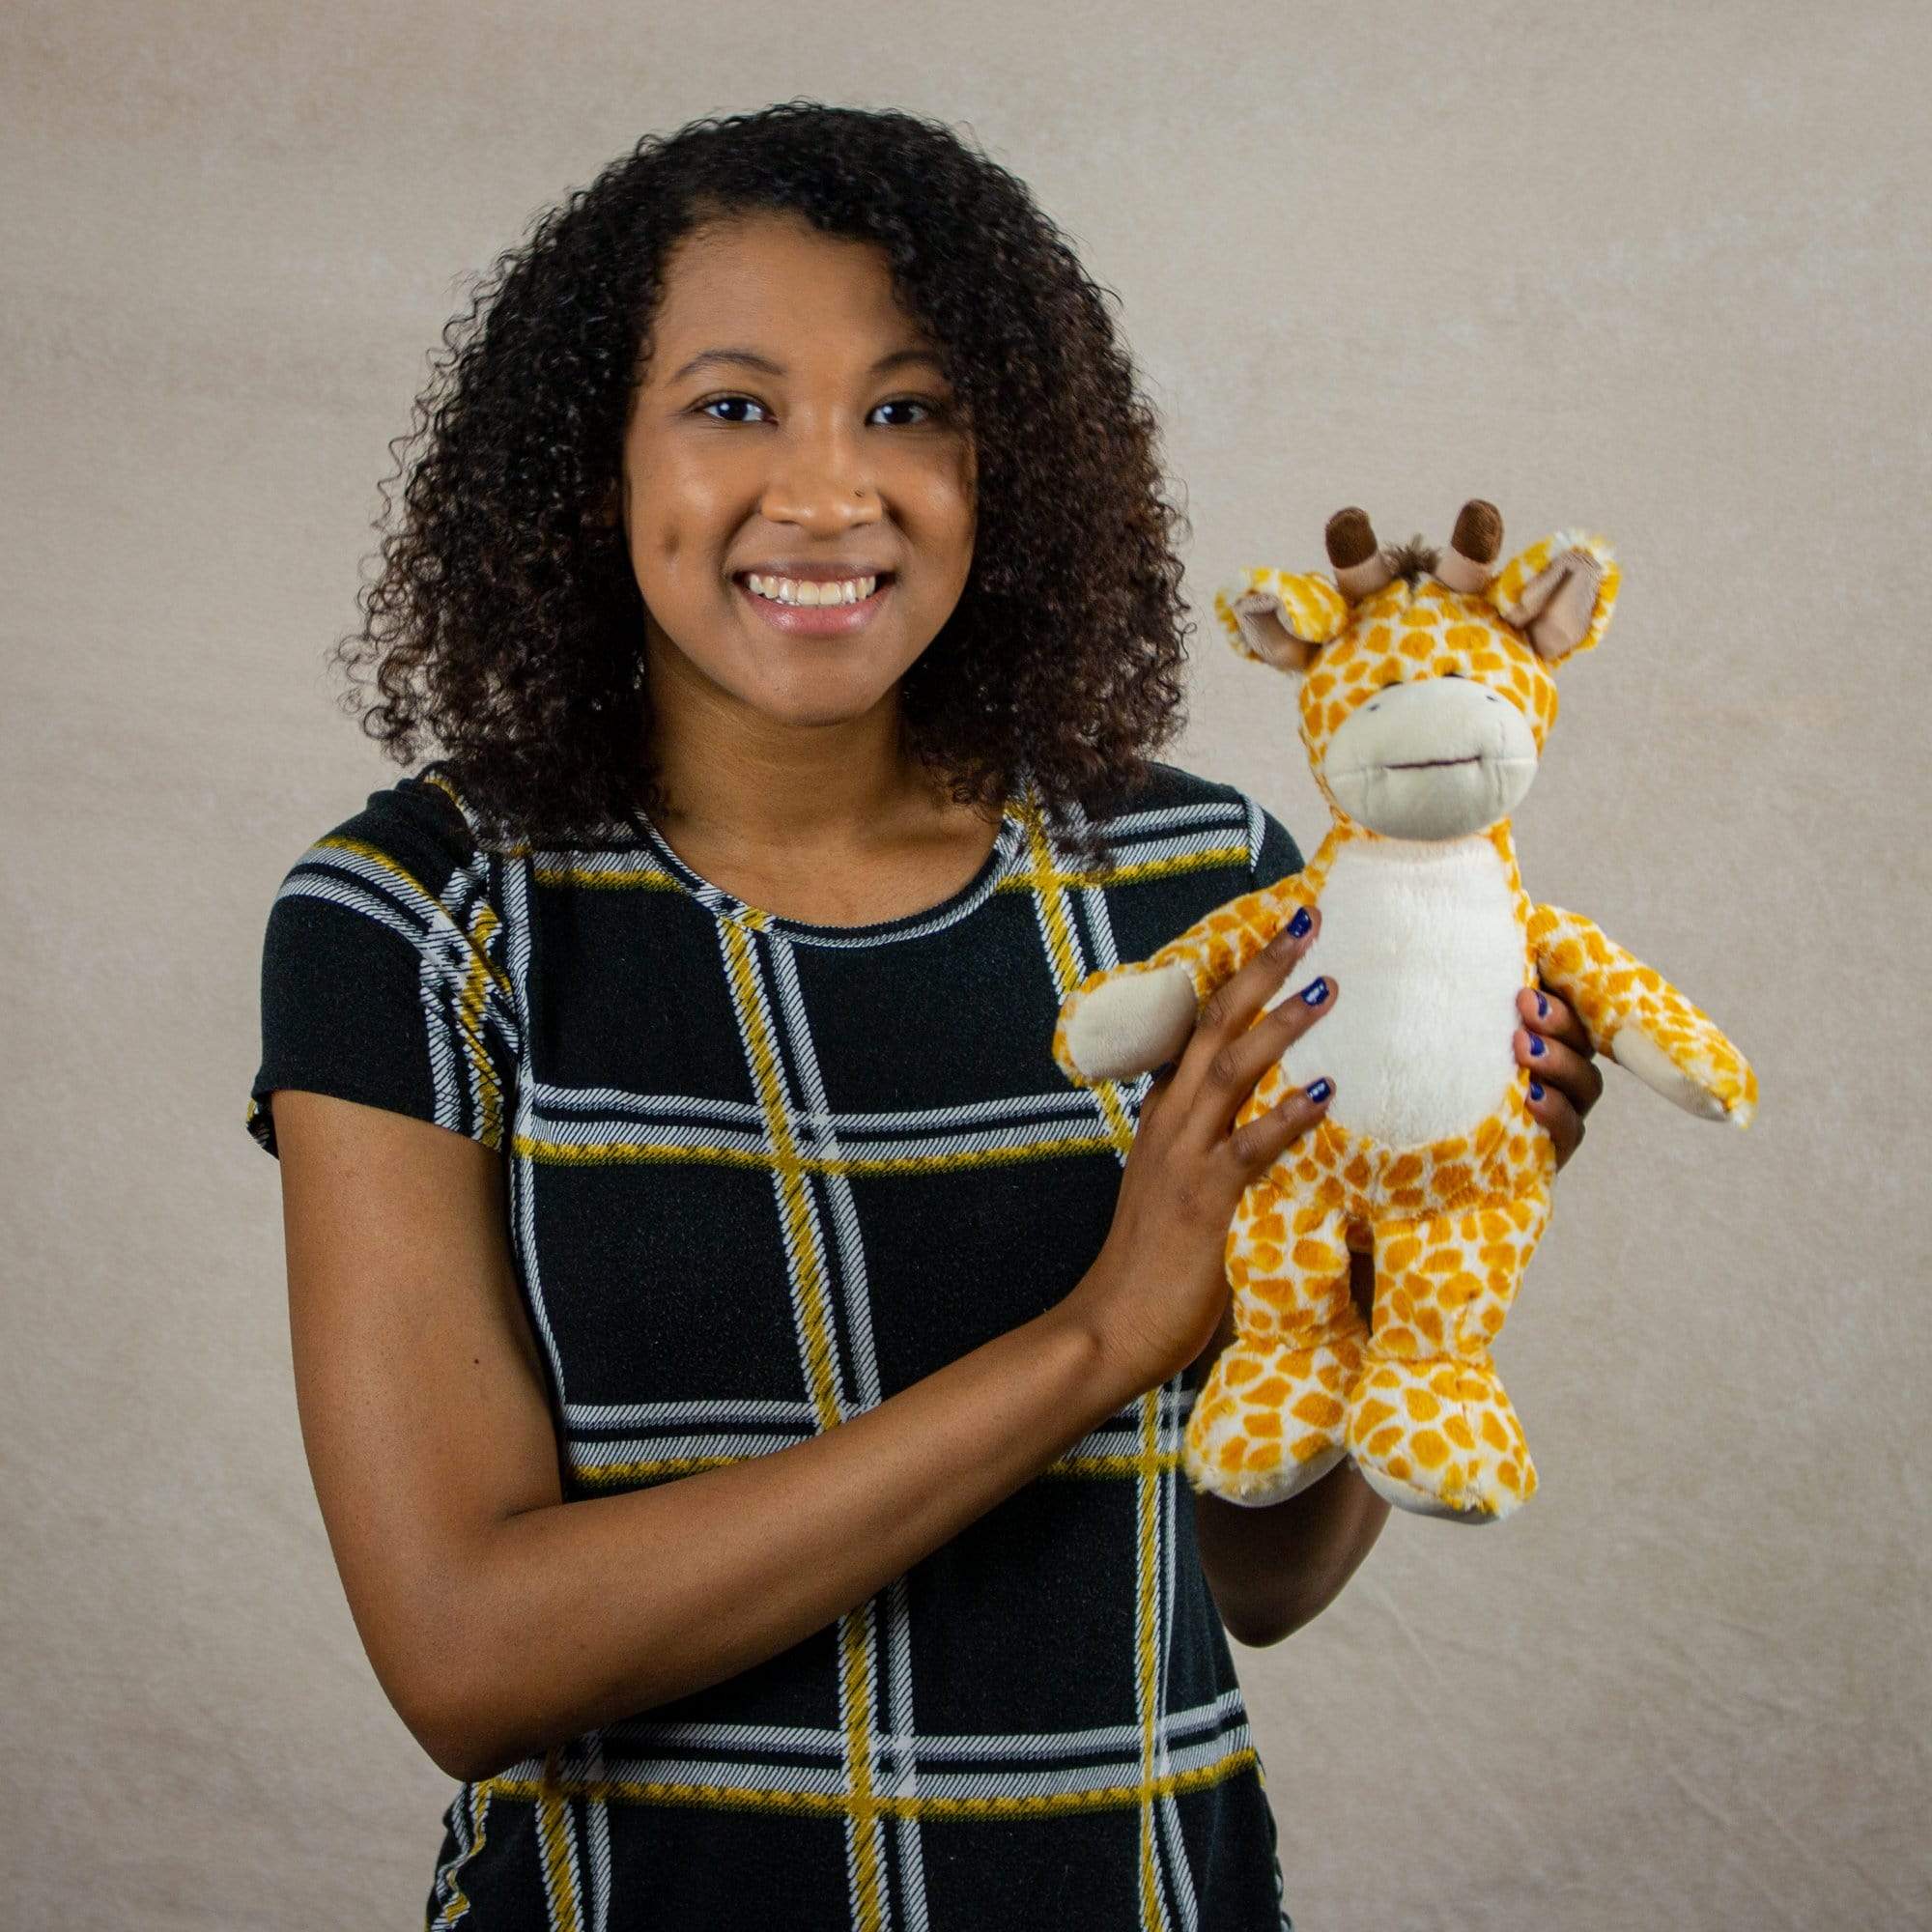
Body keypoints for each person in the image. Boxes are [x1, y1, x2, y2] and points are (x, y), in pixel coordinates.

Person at [244, 101, 1603, 1932]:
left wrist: (1441, 1204)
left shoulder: (1202, 880)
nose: (828, 492)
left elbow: (1249, 1568)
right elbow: (466, 1656)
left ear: (1009, 461)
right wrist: (1098, 1337)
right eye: (735, 406)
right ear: (591, 463)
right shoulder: (425, 913)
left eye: (909, 409)